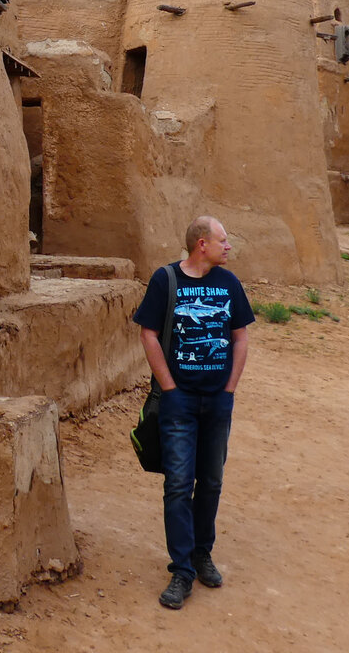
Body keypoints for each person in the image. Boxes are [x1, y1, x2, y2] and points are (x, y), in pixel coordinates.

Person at [133, 215, 254, 609]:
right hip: (179, 401)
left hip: (217, 400)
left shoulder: (229, 284)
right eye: (223, 240)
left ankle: (203, 553)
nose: (228, 246)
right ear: (202, 244)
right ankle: (182, 570)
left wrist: (229, 389)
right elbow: (148, 333)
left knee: (212, 482)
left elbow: (240, 336)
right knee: (178, 485)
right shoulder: (165, 281)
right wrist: (169, 387)